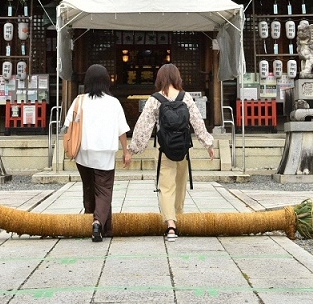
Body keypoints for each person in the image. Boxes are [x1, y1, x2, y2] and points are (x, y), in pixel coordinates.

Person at [124, 63, 214, 242]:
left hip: (165, 149)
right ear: (177, 77)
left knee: (166, 186)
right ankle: (178, 216)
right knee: (180, 184)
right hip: (183, 148)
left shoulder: (155, 99)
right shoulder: (185, 97)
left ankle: (171, 225)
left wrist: (132, 149)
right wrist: (208, 144)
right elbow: (197, 122)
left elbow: (143, 126)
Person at [64, 64, 130, 242]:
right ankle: (98, 223)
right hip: (105, 153)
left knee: (89, 187)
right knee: (104, 190)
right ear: (106, 81)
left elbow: (68, 125)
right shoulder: (113, 103)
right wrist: (126, 151)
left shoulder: (80, 101)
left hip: (83, 152)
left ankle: (99, 224)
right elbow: (122, 130)